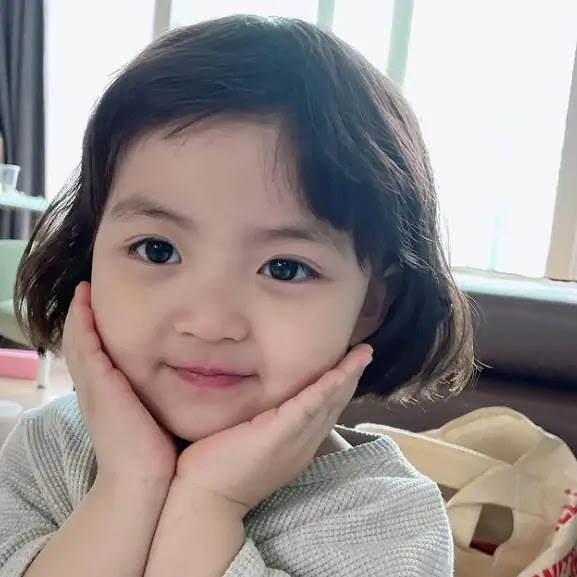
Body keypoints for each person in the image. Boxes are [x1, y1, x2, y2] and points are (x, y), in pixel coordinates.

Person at [0, 15, 473, 577]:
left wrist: (208, 504)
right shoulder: (47, 449)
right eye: (157, 250)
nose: (208, 321)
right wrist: (129, 481)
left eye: (285, 268)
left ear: (372, 303)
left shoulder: (390, 529)